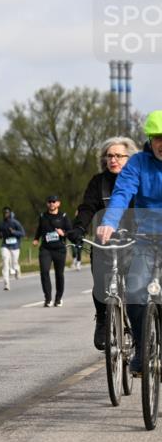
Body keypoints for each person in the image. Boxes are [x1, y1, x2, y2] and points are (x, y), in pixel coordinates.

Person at [97, 110, 162, 376]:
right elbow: (122, 192)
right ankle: (141, 347)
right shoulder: (137, 163)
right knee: (134, 293)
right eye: (158, 138)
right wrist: (109, 221)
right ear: (150, 138)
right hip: (145, 239)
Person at [70, 136, 138, 349]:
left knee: (139, 285)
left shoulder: (137, 180)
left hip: (135, 240)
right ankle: (102, 319)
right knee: (100, 282)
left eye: (119, 155)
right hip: (105, 242)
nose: (113, 160)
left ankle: (141, 326)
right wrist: (79, 227)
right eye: (109, 156)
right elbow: (88, 207)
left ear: (130, 158)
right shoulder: (98, 182)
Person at [33, 195, 72, 307]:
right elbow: (39, 229)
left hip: (59, 249)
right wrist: (36, 239)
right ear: (47, 204)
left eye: (54, 202)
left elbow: (70, 231)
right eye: (49, 202)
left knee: (59, 274)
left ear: (58, 203)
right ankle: (48, 298)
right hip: (46, 249)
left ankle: (58, 298)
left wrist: (63, 233)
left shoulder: (63, 216)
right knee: (44, 272)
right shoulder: (43, 216)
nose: (51, 204)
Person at [0, 207, 25, 291]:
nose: (6, 214)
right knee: (5, 263)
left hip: (15, 246)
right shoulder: (1, 224)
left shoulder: (15, 223)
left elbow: (23, 233)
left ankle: (17, 270)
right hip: (5, 246)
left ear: (10, 213)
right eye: (4, 213)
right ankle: (6, 284)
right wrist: (0, 235)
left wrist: (14, 232)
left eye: (7, 213)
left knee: (14, 263)